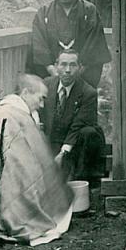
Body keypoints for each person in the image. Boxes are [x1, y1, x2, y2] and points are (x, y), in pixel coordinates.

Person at [0, 74, 73, 246]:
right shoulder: (13, 114)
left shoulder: (2, 109)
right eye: (40, 98)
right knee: (26, 176)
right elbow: (20, 165)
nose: (41, 105)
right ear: (26, 92)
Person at [30, 0, 111, 88]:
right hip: (53, 74)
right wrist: (53, 70)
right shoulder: (44, 12)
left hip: (83, 73)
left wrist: (76, 71)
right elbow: (39, 45)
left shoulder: (89, 11)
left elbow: (94, 44)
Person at [41, 49, 106, 182]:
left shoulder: (88, 92)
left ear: (80, 68)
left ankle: (85, 183)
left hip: (75, 145)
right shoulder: (46, 84)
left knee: (89, 132)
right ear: (56, 66)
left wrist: (63, 153)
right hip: (52, 141)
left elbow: (78, 125)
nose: (68, 70)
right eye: (63, 64)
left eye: (73, 65)